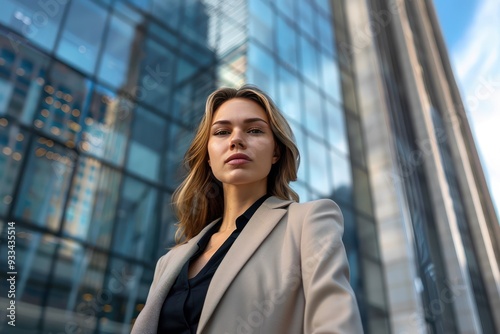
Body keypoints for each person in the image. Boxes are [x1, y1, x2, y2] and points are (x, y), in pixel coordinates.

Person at [131, 85, 363, 333]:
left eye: (254, 130)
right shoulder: (170, 261)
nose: (236, 140)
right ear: (208, 156)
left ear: (276, 151)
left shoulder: (308, 223)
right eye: (221, 132)